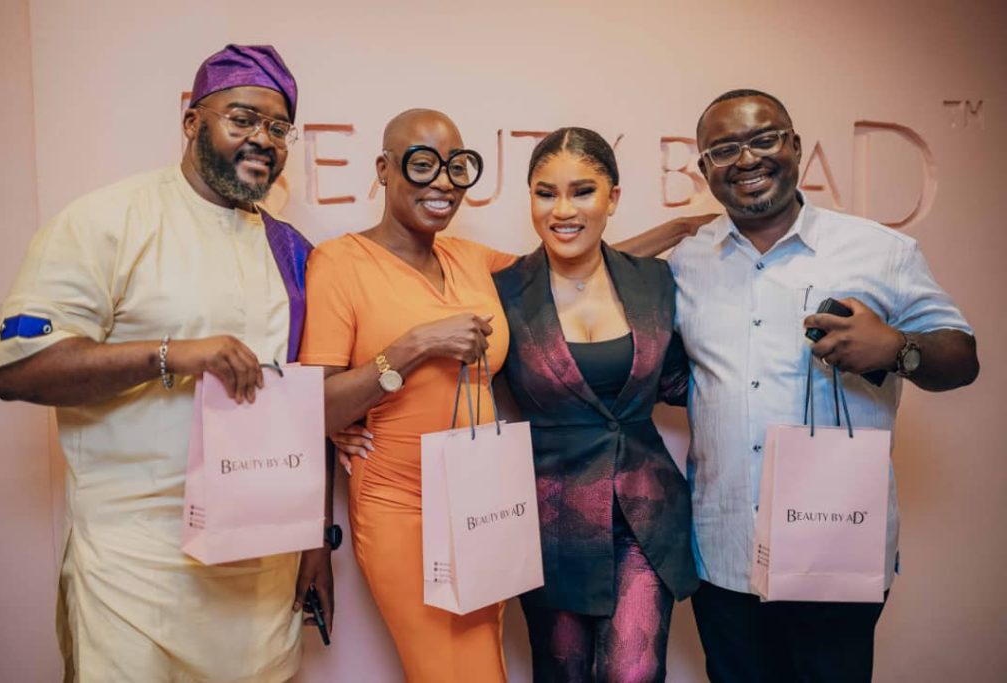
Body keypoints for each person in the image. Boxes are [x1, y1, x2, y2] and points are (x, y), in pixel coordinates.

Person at [299, 109, 707, 682]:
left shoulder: (471, 261)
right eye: (421, 164)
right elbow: (310, 409)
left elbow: (576, 266)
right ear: (383, 169)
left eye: (457, 167)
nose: (442, 182)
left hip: (485, 503)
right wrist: (411, 348)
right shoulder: (340, 261)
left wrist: (680, 231)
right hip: (402, 506)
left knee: (487, 663)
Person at [0, 44, 337, 682]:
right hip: (135, 572)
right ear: (191, 121)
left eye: (278, 128)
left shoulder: (291, 251)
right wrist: (170, 355)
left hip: (262, 574)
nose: (262, 140)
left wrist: (316, 538)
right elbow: (18, 369)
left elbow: (308, 405)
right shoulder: (108, 220)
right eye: (242, 119)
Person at [669, 88, 980, 683]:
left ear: (795, 146)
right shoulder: (687, 261)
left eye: (763, 140)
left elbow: (963, 358)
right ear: (705, 168)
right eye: (724, 149)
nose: (747, 159)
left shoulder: (879, 251)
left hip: (836, 550)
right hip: (722, 553)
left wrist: (897, 348)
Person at [493, 127, 699, 682]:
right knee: (562, 673)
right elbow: (461, 386)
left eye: (582, 191)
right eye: (546, 193)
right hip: (549, 521)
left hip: (645, 513)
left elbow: (680, 381)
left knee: (634, 674)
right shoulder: (503, 291)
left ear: (613, 198)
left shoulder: (655, 281)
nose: (563, 210)